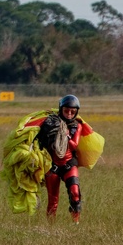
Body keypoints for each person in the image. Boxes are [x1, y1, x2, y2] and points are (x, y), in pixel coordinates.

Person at [21, 94, 102, 224]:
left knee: (75, 194)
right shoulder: (50, 123)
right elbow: (37, 140)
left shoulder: (77, 126)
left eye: (73, 111)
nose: (69, 114)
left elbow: (74, 145)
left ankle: (76, 222)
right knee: (53, 200)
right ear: (61, 109)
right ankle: (51, 226)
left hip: (69, 164)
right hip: (52, 166)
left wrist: (66, 135)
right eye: (66, 111)